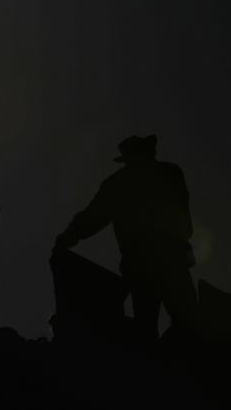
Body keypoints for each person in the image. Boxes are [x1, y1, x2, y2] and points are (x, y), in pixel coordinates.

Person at [54, 134, 196, 343]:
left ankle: (162, 363)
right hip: (168, 258)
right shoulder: (169, 173)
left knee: (149, 324)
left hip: (143, 262)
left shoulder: (118, 183)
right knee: (185, 321)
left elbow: (93, 218)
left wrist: (67, 238)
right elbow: (182, 218)